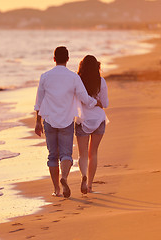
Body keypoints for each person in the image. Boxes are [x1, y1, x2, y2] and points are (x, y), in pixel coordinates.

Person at [34, 46, 101, 198]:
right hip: (66, 120)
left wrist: (38, 122)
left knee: (52, 156)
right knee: (66, 155)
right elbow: (84, 98)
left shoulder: (45, 76)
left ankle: (57, 189)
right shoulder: (73, 77)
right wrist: (95, 103)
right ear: (68, 59)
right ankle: (64, 177)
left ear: (54, 59)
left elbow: (39, 101)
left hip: (49, 120)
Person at [75, 55, 109, 194]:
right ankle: (89, 186)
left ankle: (83, 176)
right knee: (93, 153)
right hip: (98, 120)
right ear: (97, 66)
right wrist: (98, 102)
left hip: (82, 120)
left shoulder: (78, 81)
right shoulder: (101, 81)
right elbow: (105, 104)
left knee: (82, 154)